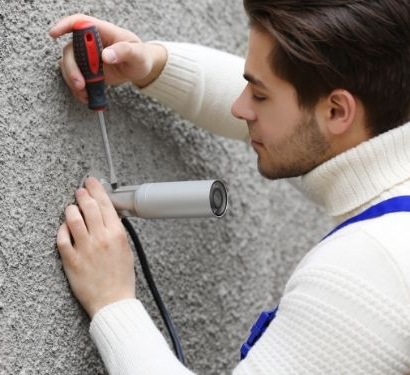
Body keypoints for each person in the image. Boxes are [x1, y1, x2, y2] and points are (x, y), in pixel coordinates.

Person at [50, 1, 410, 374]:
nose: (240, 108)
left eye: (259, 94)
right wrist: (152, 63)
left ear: (337, 112)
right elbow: (299, 119)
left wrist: (113, 303)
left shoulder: (367, 271)